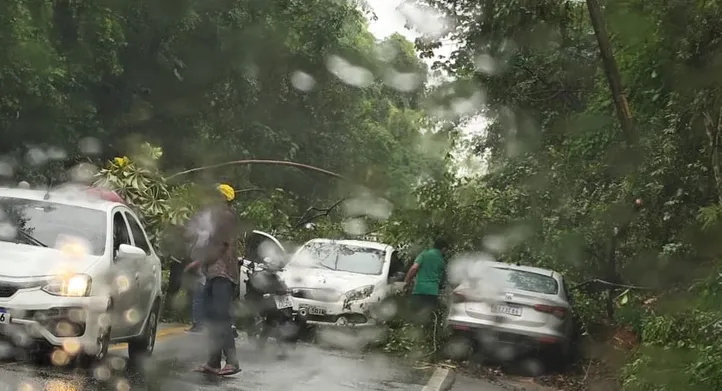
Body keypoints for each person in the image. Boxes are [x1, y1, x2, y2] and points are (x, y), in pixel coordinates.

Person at [185, 183, 243, 376]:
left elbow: (219, 245)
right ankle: (213, 362)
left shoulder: (225, 217)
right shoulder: (219, 217)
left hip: (223, 274)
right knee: (212, 318)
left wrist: (200, 261)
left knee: (221, 317)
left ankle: (232, 362)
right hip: (213, 272)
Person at [404, 237, 449, 324]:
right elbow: (442, 279)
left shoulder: (423, 255)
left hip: (419, 290)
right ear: (443, 249)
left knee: (414, 316)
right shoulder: (442, 261)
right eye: (445, 250)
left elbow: (414, 268)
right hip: (432, 293)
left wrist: (406, 281)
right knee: (426, 318)